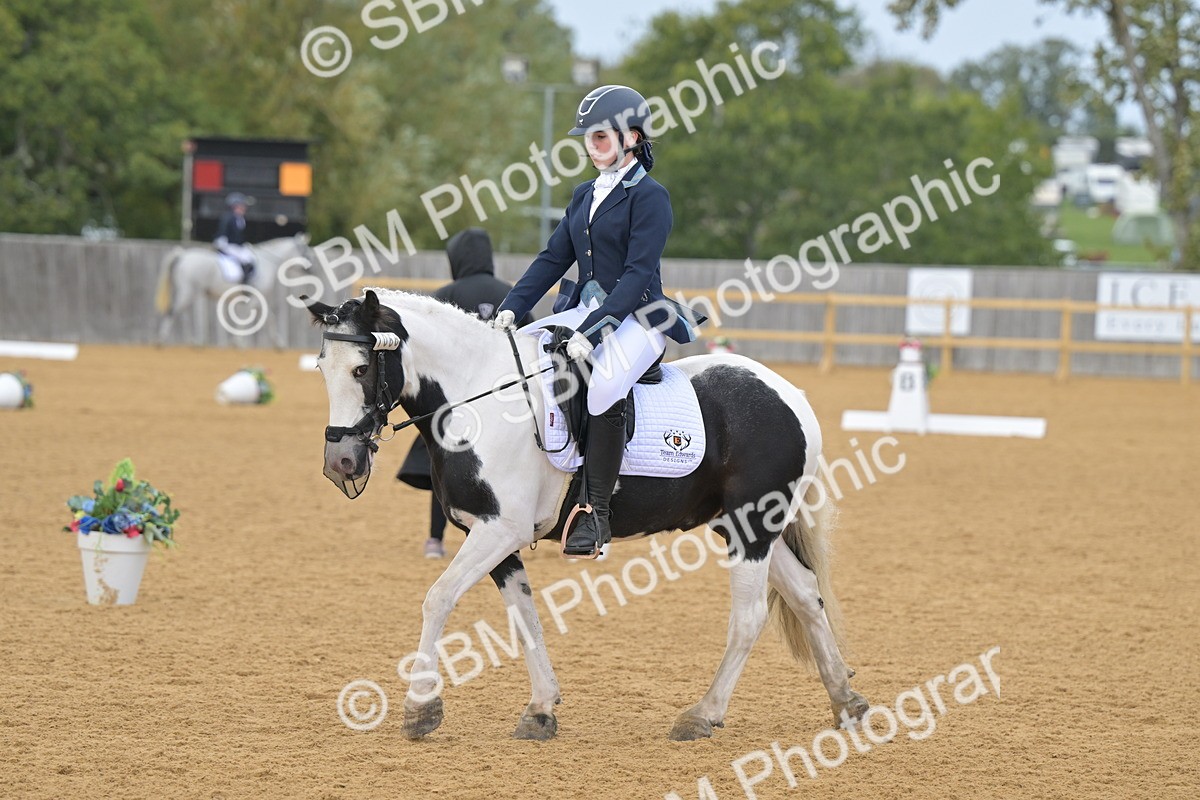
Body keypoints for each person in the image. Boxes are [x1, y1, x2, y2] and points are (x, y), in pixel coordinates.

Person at [492, 84, 704, 559]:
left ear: (631, 138)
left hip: (639, 317)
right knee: (523, 351)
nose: (592, 146)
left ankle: (596, 513)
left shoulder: (651, 198)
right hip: (587, 309)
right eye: (587, 138)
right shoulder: (584, 193)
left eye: (601, 138)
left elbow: (635, 276)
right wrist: (511, 307)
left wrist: (595, 331)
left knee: (606, 385)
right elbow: (552, 258)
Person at [397, 227, 532, 558]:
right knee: (515, 468)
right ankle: (515, 533)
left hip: (455, 405)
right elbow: (529, 344)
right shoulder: (512, 294)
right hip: (503, 401)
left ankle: (435, 540)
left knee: (443, 464)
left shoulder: (443, 296)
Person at [213, 192, 256, 284]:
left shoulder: (240, 219)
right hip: (228, 245)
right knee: (246, 259)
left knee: (251, 257)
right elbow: (223, 231)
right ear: (235, 206)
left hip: (236, 246)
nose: (244, 208)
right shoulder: (228, 218)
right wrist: (222, 241)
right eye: (242, 205)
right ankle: (244, 282)